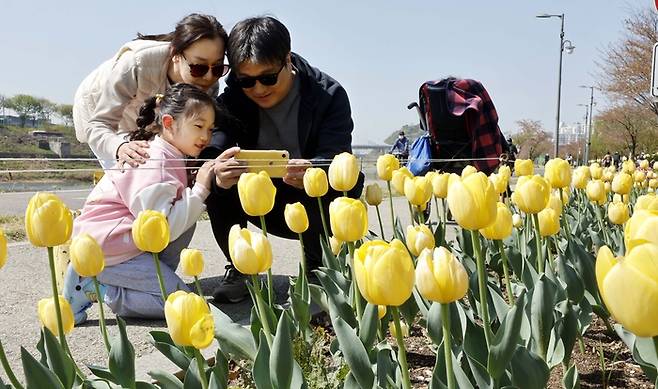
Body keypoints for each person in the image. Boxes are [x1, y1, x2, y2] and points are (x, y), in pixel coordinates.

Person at [200, 16, 363, 303]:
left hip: (309, 198)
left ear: (287, 60)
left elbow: (337, 154)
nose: (259, 89)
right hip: (260, 197)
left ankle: (318, 270)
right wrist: (217, 164)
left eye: (268, 77)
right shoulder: (234, 97)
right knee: (216, 177)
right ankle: (242, 266)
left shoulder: (328, 95)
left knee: (340, 180)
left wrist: (314, 170)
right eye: (247, 80)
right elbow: (217, 140)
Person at [63, 83, 232, 323]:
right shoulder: (157, 163)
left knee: (189, 216)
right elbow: (161, 230)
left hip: (124, 243)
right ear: (168, 123)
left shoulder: (169, 155)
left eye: (209, 129)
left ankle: (141, 281)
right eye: (198, 126)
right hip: (108, 250)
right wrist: (202, 188)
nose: (205, 136)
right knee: (186, 307)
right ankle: (97, 287)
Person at [73, 14, 229, 169]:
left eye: (217, 68)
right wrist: (119, 147)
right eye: (198, 68)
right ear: (175, 55)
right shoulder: (136, 63)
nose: (209, 77)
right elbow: (98, 125)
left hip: (148, 122)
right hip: (101, 114)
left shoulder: (209, 85)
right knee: (132, 171)